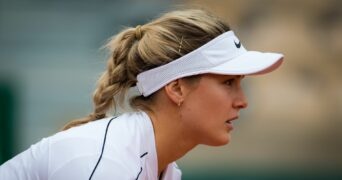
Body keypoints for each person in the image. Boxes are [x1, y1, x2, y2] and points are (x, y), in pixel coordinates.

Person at [0, 9, 283, 180]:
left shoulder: (164, 168)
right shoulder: (108, 164)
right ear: (176, 88)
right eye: (228, 82)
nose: (242, 101)